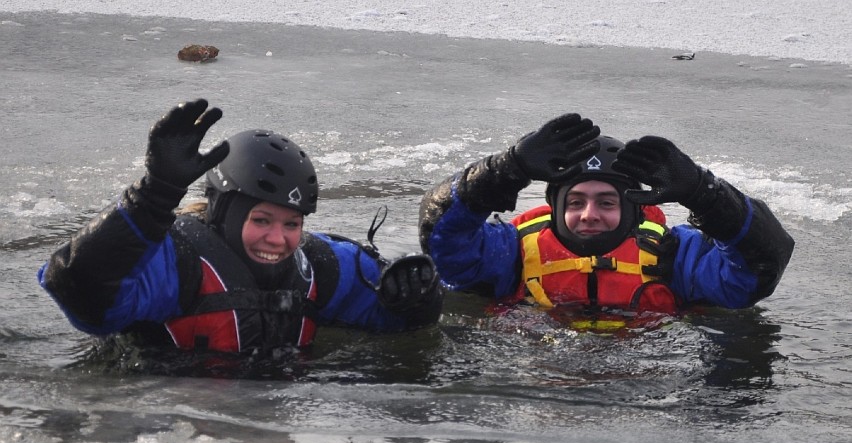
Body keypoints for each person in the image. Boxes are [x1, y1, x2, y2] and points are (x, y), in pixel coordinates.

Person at [39, 99, 442, 355]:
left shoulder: (319, 265)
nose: (278, 239)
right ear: (225, 214)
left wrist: (418, 300)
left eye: (292, 224)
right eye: (261, 220)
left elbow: (396, 319)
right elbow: (78, 288)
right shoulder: (176, 262)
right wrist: (155, 194)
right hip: (167, 423)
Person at [418, 113, 794, 321]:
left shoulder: (676, 256)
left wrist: (704, 192)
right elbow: (442, 239)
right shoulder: (511, 251)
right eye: (576, 201)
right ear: (555, 205)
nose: (589, 215)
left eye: (607, 203)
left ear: (632, 208)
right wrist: (505, 169)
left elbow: (759, 268)